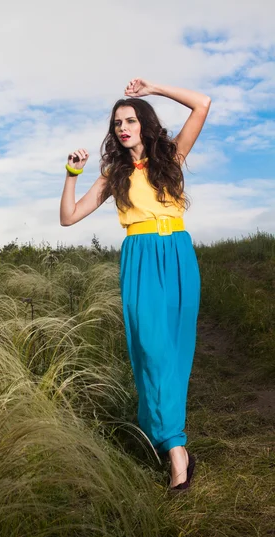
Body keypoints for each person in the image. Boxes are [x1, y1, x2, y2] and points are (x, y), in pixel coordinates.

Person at [60, 78, 211, 490]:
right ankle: (177, 450)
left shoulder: (173, 157)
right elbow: (69, 216)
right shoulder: (114, 175)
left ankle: (171, 441)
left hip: (178, 255)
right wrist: (72, 174)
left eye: (129, 120)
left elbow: (202, 103)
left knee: (176, 352)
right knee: (152, 350)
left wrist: (155, 88)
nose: (122, 128)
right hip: (141, 259)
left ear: (144, 123)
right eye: (116, 124)